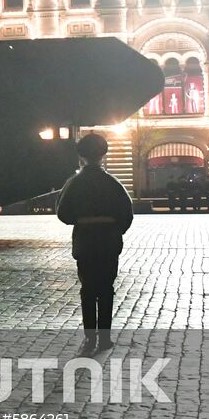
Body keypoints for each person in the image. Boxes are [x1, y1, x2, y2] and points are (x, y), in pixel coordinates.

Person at [56, 133, 134, 344]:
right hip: (108, 241)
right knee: (106, 288)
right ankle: (105, 337)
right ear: (103, 156)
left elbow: (62, 213)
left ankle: (90, 337)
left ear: (82, 157)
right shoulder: (113, 183)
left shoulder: (74, 183)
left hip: (86, 241)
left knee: (88, 288)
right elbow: (127, 214)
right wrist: (114, 230)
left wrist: (81, 221)